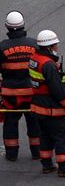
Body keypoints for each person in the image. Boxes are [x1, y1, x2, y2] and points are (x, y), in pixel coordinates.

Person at [29, 30, 65, 177]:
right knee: (62, 137)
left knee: (45, 136)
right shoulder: (48, 64)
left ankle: (47, 165)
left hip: (38, 106)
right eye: (55, 45)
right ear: (49, 46)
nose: (57, 47)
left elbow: (45, 78)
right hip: (52, 109)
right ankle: (64, 168)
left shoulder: (34, 59)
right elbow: (56, 88)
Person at [0, 11, 40, 162]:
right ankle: (37, 152)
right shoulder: (34, 44)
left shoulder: (2, 47)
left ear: (7, 27)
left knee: (10, 122)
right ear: (23, 25)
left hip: (11, 95)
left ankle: (11, 154)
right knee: (34, 121)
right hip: (32, 92)